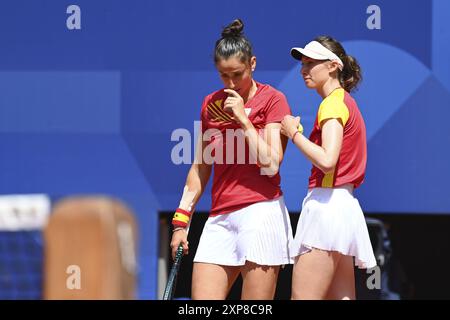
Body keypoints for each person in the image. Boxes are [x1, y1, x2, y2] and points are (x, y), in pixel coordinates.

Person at [170, 19, 294, 300]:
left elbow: (271, 163)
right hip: (220, 217)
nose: (231, 84)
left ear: (252, 63)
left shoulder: (273, 100)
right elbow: (200, 167)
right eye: (223, 76)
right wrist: (181, 223)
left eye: (237, 74)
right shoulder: (209, 105)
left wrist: (242, 119)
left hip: (261, 214)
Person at [281, 36, 377, 300]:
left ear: (333, 66)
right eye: (303, 63)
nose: (303, 69)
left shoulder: (332, 103)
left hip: (327, 210)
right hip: (342, 208)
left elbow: (327, 160)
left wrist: (293, 134)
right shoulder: (344, 102)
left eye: (311, 63)